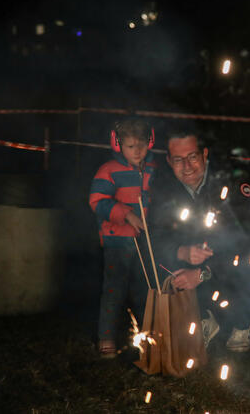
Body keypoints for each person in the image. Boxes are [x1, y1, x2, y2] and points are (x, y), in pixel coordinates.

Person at [150, 127, 250, 352]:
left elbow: (244, 242)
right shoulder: (164, 191)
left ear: (204, 155)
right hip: (191, 262)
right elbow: (154, 237)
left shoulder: (229, 185)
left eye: (192, 157)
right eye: (178, 159)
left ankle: (242, 321)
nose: (187, 167)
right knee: (154, 260)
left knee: (247, 262)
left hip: (231, 262)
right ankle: (202, 316)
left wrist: (203, 272)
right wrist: (180, 252)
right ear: (169, 161)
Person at [89, 118, 158, 358]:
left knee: (143, 290)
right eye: (130, 146)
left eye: (141, 145)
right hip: (116, 241)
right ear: (118, 146)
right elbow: (97, 202)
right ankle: (106, 337)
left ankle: (147, 336)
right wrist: (126, 214)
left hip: (143, 242)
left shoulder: (153, 169)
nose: (137, 151)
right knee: (114, 290)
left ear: (150, 142)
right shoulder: (108, 171)